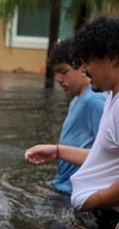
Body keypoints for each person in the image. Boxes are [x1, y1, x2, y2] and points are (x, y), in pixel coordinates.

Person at [25, 16, 119, 229]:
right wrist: (58, 151)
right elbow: (108, 159)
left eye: (88, 61)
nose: (85, 69)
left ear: (112, 58)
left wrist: (88, 202)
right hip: (117, 218)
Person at [25, 38, 107, 195]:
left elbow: (107, 158)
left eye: (63, 71)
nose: (58, 79)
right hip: (64, 184)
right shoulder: (77, 98)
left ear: (82, 67)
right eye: (55, 72)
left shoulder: (94, 101)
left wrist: (58, 152)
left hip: (77, 192)